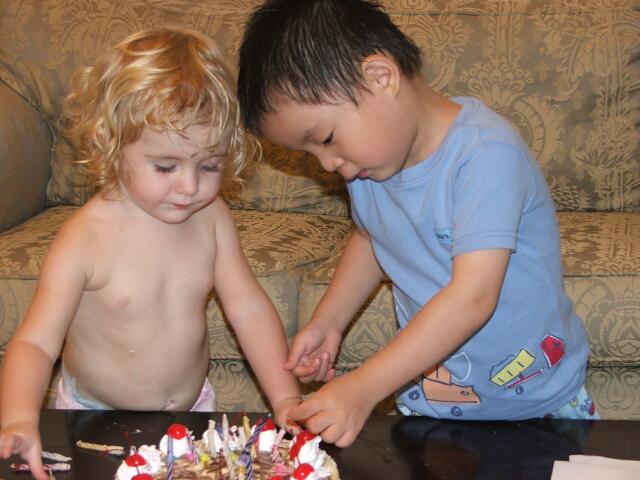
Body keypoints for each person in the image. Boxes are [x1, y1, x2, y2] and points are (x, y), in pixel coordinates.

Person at [237, 0, 597, 448]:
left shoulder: (486, 155)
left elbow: (473, 297)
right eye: (310, 154)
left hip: (539, 405)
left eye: (326, 138)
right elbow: (371, 236)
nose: (328, 164)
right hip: (433, 406)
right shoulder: (371, 165)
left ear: (380, 77)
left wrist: (365, 386)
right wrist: (329, 321)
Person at [0, 27, 301, 479]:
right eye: (165, 166)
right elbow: (35, 343)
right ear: (112, 145)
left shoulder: (212, 218)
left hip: (191, 413)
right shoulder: (84, 240)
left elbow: (250, 309)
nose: (190, 186)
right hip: (95, 421)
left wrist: (286, 398)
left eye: (209, 165)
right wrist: (20, 418)